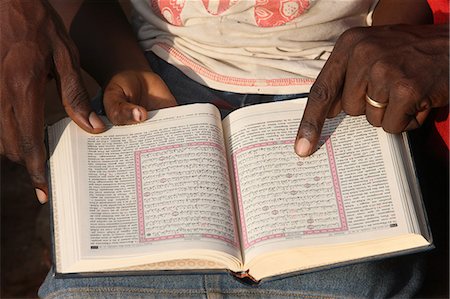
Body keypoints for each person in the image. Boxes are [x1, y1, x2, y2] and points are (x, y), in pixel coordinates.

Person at [0, 0, 447, 297]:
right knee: (87, 286)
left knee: (354, 282)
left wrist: (399, 43)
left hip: (343, 85)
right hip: (153, 80)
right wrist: (125, 66)